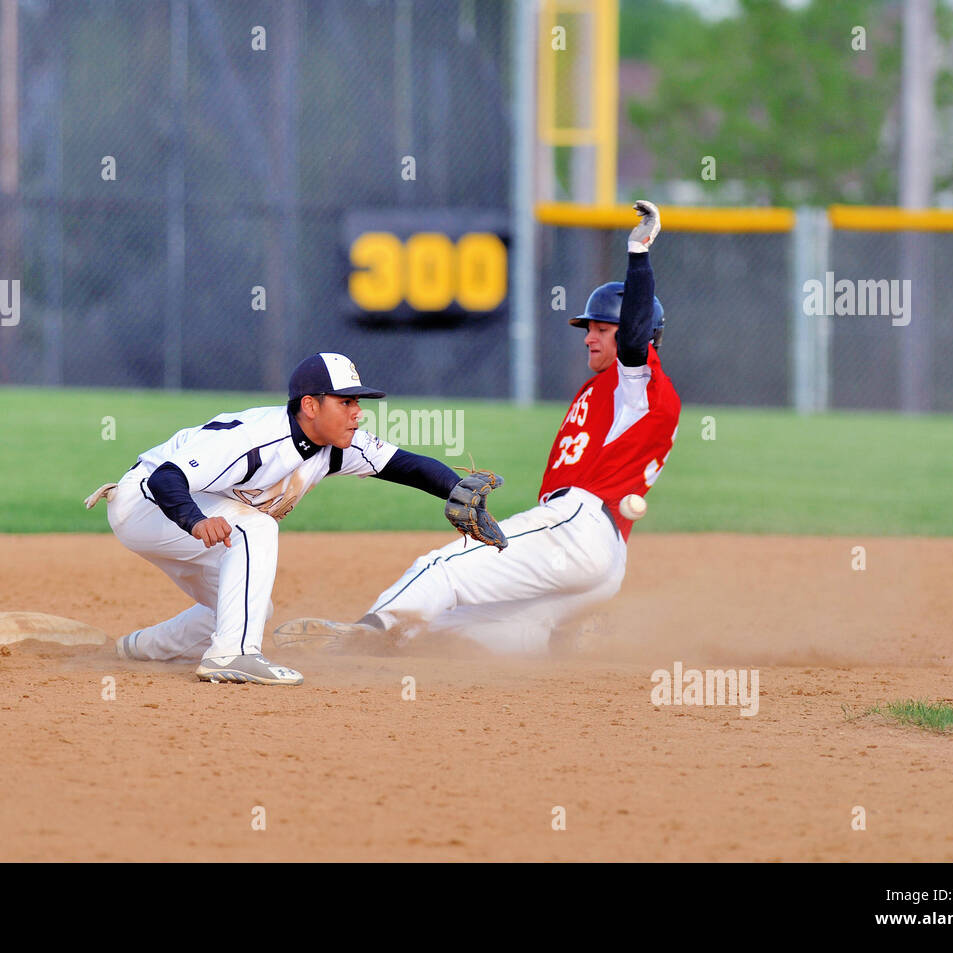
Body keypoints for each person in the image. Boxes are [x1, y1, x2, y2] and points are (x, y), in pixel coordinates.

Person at [274, 201, 680, 656]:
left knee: (444, 567)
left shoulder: (640, 386)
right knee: (478, 628)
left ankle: (371, 631)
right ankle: (561, 641)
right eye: (589, 328)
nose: (588, 336)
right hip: (602, 562)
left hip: (577, 527)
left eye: (601, 329)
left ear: (635, 335)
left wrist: (638, 253)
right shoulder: (616, 392)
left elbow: (634, 340)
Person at [83, 352, 503, 686]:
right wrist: (194, 520)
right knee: (256, 525)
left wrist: (453, 488)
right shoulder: (254, 438)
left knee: (249, 605)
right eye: (346, 402)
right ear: (310, 405)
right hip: (146, 505)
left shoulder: (338, 443)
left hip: (190, 511)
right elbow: (166, 478)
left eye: (358, 402)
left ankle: (140, 648)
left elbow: (404, 465)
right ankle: (233, 654)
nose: (357, 412)